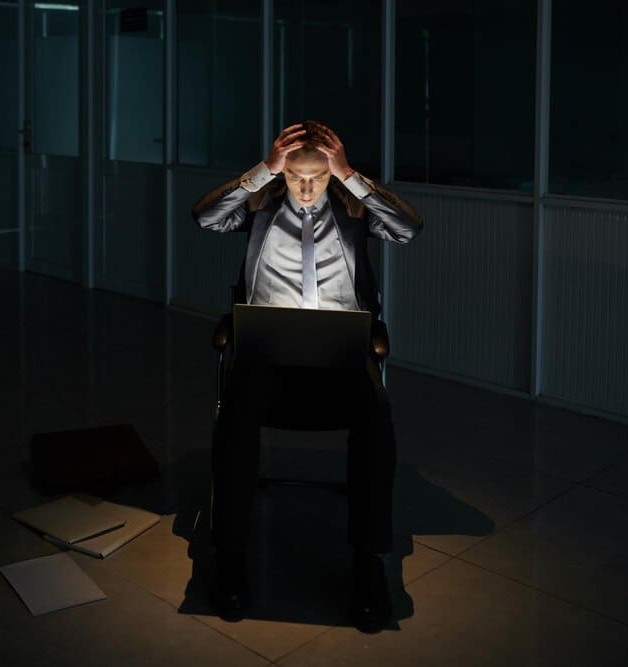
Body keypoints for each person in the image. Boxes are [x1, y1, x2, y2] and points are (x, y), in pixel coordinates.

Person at [191, 120, 423, 632]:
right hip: (264, 358)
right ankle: (230, 557)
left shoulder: (352, 207)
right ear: (283, 174)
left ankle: (368, 565)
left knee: (375, 422)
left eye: (318, 178)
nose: (306, 189)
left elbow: (408, 228)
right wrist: (263, 171)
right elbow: (206, 218)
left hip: (340, 362)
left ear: (332, 175)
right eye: (296, 177)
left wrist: (351, 175)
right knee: (234, 421)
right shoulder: (261, 204)